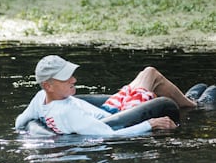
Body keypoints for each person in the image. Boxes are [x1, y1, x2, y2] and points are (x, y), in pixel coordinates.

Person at [15, 55, 196, 136]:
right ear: (48, 85)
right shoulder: (68, 113)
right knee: (151, 74)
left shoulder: (40, 98)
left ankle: (190, 102)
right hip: (124, 114)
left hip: (109, 109)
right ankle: (194, 106)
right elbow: (109, 134)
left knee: (147, 75)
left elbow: (19, 123)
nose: (74, 79)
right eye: (65, 78)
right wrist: (150, 124)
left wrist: (40, 133)